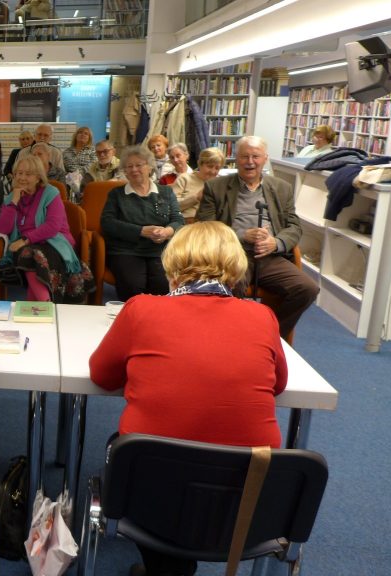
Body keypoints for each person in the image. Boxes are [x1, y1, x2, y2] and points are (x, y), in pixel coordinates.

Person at [89, 221, 287, 576]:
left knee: (131, 451)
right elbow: (279, 384)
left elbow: (102, 377)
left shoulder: (141, 309)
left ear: (173, 263)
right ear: (235, 266)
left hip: (154, 488)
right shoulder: (262, 316)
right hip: (244, 493)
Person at [197, 135, 319, 339]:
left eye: (256, 156)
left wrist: (276, 243)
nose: (250, 162)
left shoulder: (282, 188)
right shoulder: (215, 187)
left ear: (265, 159)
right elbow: (205, 226)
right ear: (236, 159)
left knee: (307, 289)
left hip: (269, 255)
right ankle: (230, 340)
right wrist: (241, 235)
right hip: (232, 254)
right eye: (244, 156)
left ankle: (270, 337)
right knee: (230, 287)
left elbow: (294, 226)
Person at [0, 154, 87, 303]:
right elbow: (3, 228)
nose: (22, 178)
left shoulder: (51, 193)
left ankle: (43, 304)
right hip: (27, 246)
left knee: (29, 254)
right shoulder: (12, 197)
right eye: (19, 173)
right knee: (29, 254)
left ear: (38, 177)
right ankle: (43, 305)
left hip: (54, 242)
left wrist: (25, 240)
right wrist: (13, 202)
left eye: (28, 174)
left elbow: (52, 226)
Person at [101, 145, 184, 301]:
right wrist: (141, 231)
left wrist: (167, 232)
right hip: (126, 250)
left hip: (160, 250)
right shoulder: (116, 194)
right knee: (133, 285)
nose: (134, 170)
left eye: (139, 165)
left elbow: (178, 220)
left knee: (163, 284)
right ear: (125, 171)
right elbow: (107, 223)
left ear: (150, 167)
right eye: (129, 166)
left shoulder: (166, 192)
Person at [170, 147, 223, 222]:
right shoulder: (184, 179)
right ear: (200, 164)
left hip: (211, 224)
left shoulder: (219, 184)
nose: (213, 171)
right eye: (210, 166)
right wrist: (196, 197)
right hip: (186, 223)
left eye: (217, 168)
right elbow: (171, 207)